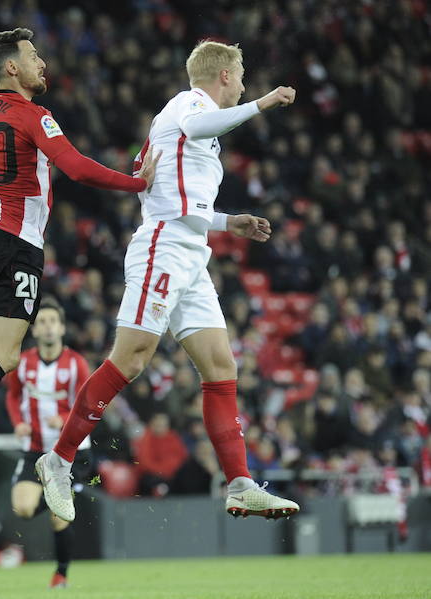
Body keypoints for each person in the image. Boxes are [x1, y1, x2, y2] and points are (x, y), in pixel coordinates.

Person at [0, 27, 159, 518]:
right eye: (34, 55)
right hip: (15, 247)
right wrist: (136, 182)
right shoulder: (34, 115)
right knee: (4, 355)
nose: (43, 63)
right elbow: (77, 168)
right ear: (12, 67)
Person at [36, 40, 300, 522]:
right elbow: (196, 134)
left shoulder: (185, 125)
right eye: (240, 74)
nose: (243, 82)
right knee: (132, 358)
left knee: (221, 366)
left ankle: (239, 482)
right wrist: (261, 103)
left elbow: (175, 196)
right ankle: (59, 458)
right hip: (164, 246)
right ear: (223, 75)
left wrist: (227, 222)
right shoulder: (189, 103)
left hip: (190, 248)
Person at [5, 299, 89, 589]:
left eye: (53, 321)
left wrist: (65, 417)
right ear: (34, 329)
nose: (48, 326)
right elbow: (12, 396)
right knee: (24, 509)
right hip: (34, 448)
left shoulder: (76, 363)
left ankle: (61, 574)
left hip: (69, 452)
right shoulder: (24, 361)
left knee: (58, 518)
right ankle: (57, 497)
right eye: (42, 321)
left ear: (62, 327)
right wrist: (18, 422)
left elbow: (87, 404)